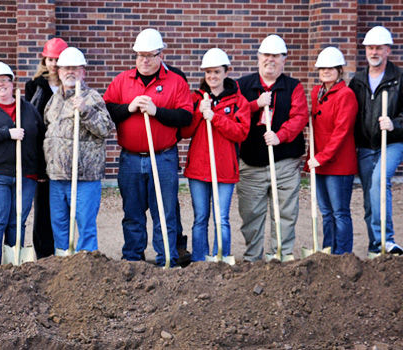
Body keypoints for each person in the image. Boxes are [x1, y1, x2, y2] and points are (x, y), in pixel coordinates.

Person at [103, 28, 192, 267]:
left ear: (160, 55)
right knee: (132, 213)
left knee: (164, 213)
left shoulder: (175, 82)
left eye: (150, 55)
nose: (144, 60)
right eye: (140, 55)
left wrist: (157, 112)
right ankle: (133, 261)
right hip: (130, 158)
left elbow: (186, 116)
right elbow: (106, 109)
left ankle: (167, 260)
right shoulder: (122, 81)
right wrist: (129, 107)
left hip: (163, 157)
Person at [236, 34, 309, 261]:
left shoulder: (293, 87)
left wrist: (280, 136)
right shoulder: (242, 85)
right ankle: (253, 258)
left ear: (283, 60)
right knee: (251, 214)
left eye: (276, 56)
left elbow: (299, 117)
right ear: (258, 58)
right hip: (251, 162)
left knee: (285, 212)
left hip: (284, 162)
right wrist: (255, 104)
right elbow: (235, 114)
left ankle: (280, 254)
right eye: (266, 55)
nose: (270, 60)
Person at [349, 26, 403, 255]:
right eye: (370, 47)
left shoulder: (401, 78)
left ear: (388, 50)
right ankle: (375, 245)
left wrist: (394, 124)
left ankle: (386, 240)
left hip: (392, 143)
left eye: (379, 47)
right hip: (366, 146)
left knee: (380, 181)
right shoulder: (358, 80)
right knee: (371, 196)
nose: (374, 52)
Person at [0, 61, 45, 265]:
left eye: (4, 80)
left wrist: (40, 171)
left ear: (12, 83)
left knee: (17, 223)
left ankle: (14, 268)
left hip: (25, 175)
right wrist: (7, 134)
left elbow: (40, 139)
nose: (0, 85)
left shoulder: (28, 109)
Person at [181, 48, 250, 262]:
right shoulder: (195, 99)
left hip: (224, 169)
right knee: (200, 218)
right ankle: (200, 261)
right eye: (208, 72)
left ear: (226, 72)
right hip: (199, 169)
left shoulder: (239, 101)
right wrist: (198, 114)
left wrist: (216, 118)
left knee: (222, 218)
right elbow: (184, 132)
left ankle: (221, 258)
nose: (212, 76)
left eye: (217, 72)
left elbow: (241, 133)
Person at [43, 47, 113, 253]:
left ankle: (86, 268)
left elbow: (105, 129)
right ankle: (63, 266)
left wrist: (85, 111)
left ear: (83, 71)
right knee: (59, 227)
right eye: (65, 68)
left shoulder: (92, 97)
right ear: (59, 71)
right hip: (57, 176)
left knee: (85, 226)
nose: (69, 72)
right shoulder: (54, 100)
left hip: (84, 177)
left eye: (75, 68)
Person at [305, 47, 358, 254]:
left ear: (339, 70)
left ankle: (342, 254)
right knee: (326, 212)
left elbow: (341, 132)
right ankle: (328, 250)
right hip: (319, 162)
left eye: (331, 68)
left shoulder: (346, 95)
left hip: (338, 164)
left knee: (339, 212)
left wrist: (321, 157)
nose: (326, 71)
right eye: (322, 68)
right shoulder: (316, 93)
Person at [25, 37, 68, 259]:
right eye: (50, 59)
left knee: (61, 208)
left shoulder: (69, 86)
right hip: (42, 153)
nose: (53, 64)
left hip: (63, 152)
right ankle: (43, 253)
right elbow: (32, 122)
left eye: (58, 59)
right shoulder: (34, 86)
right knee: (42, 207)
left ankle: (62, 249)